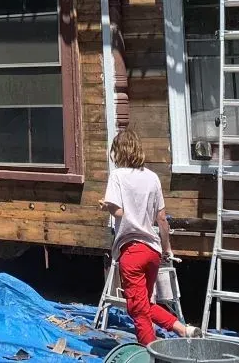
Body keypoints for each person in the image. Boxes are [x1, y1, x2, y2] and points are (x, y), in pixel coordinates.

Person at [100, 128, 200, 346]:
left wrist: (107, 205)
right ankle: (183, 329)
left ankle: (151, 353)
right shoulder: (152, 177)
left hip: (132, 249)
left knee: (137, 310)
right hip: (152, 250)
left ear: (119, 152)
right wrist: (167, 249)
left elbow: (118, 212)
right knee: (144, 303)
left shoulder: (117, 176)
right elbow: (162, 219)